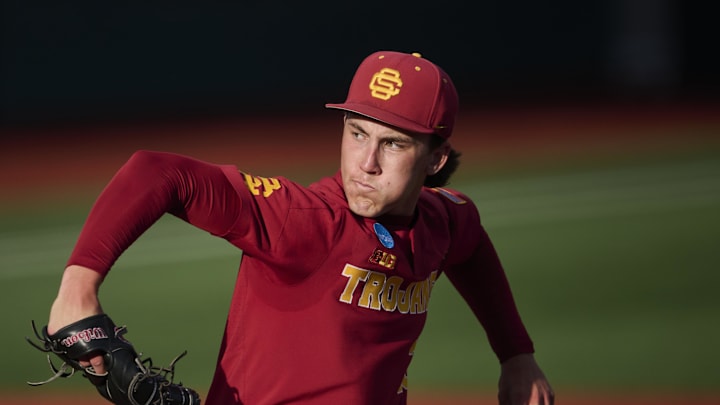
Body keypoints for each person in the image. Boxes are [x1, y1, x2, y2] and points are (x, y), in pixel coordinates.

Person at [46, 50, 554, 404]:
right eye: (357, 134)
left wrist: (517, 356)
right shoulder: (303, 221)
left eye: (393, 144)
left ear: (436, 159)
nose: (366, 162)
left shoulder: (442, 220)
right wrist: (78, 289)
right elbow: (157, 172)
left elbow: (471, 245)